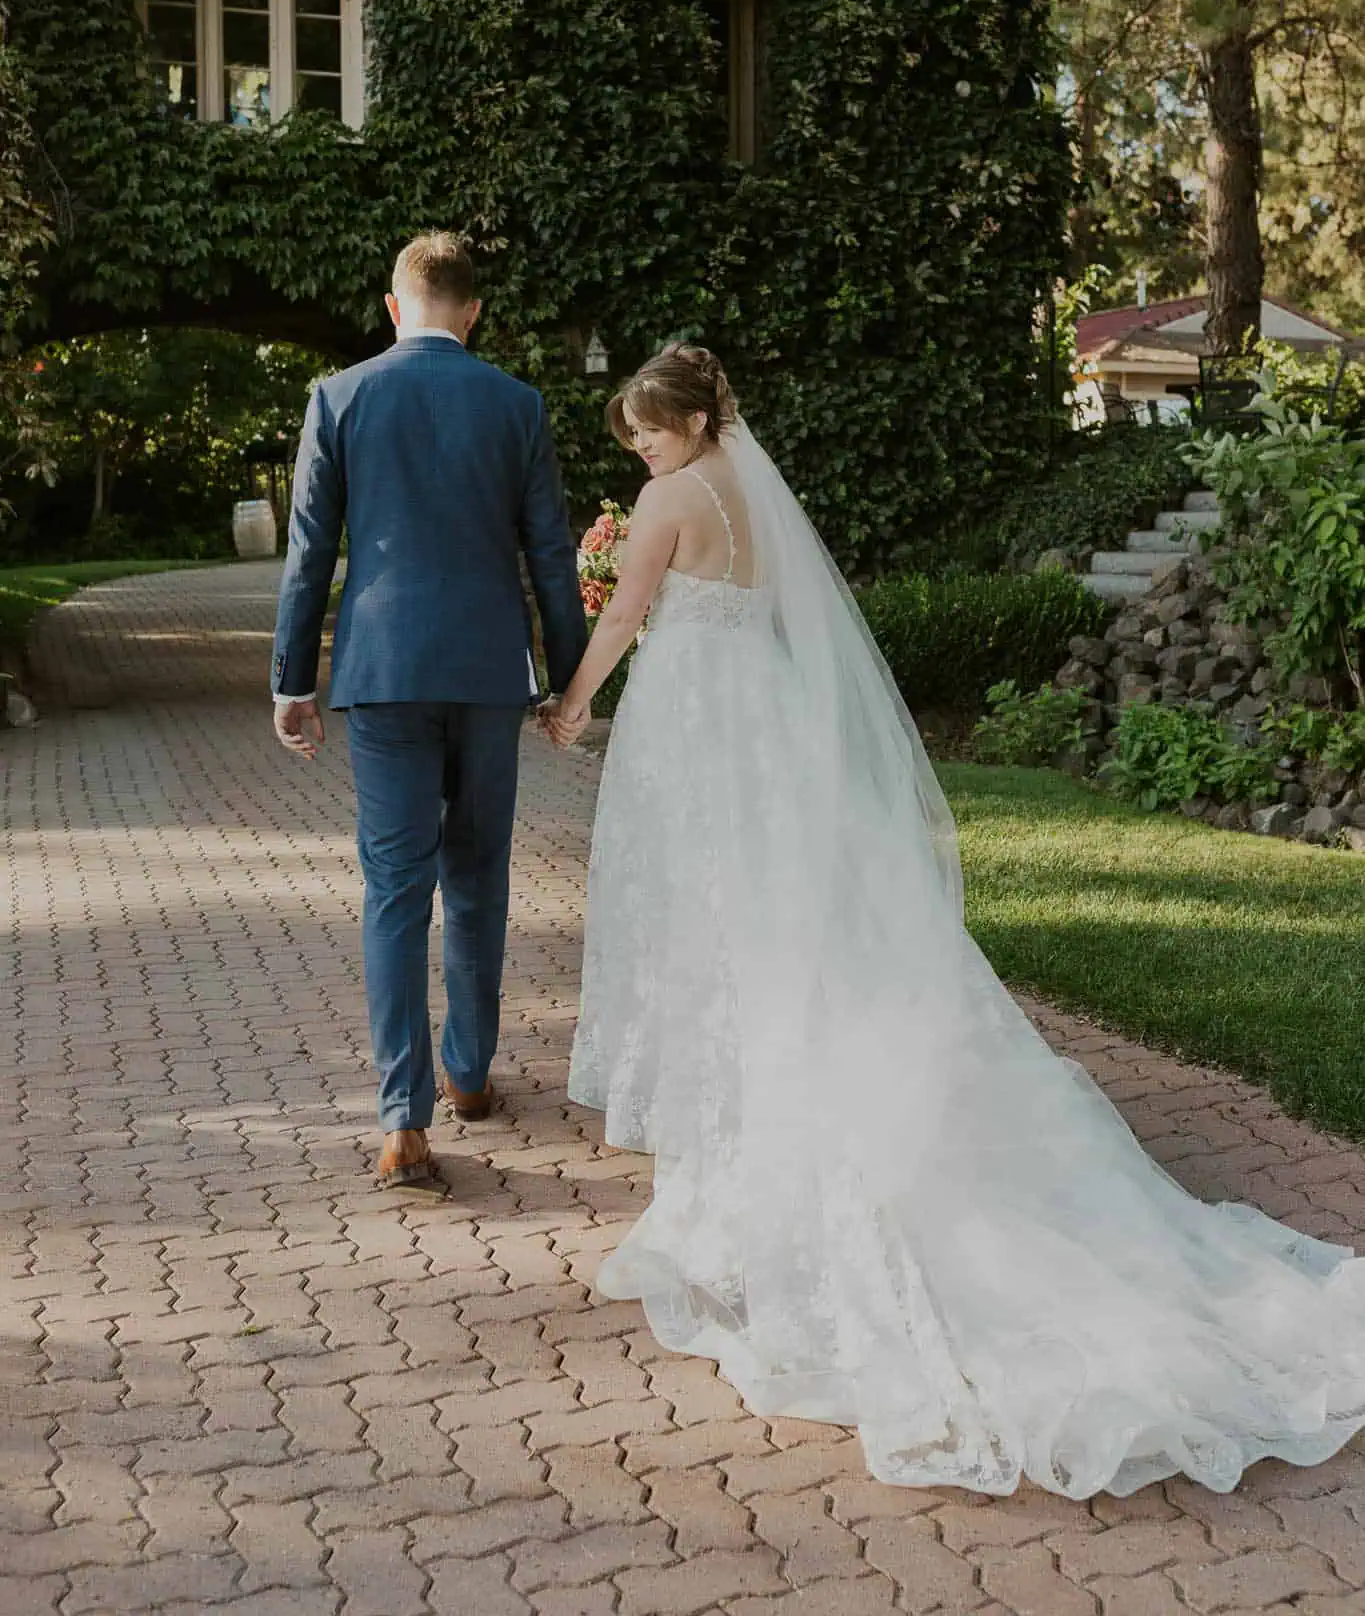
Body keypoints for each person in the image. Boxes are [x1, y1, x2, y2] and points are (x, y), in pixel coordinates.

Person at [543, 343, 1365, 1500]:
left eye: (646, 431)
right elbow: (772, 610)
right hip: (764, 720)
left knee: (726, 931)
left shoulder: (671, 497)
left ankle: (754, 1162)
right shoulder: (755, 492)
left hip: (698, 725)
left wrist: (576, 699)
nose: (640, 450)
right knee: (797, 926)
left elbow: (631, 609)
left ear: (684, 421)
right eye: (634, 439)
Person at [272, 231, 587, 1187]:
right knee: (480, 870)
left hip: (383, 672)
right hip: (489, 671)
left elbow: (309, 555)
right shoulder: (516, 404)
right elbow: (549, 554)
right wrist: (570, 679)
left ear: (393, 304)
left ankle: (402, 1117)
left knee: (394, 886)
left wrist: (293, 681)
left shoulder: (340, 396)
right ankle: (470, 1072)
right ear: (474, 312)